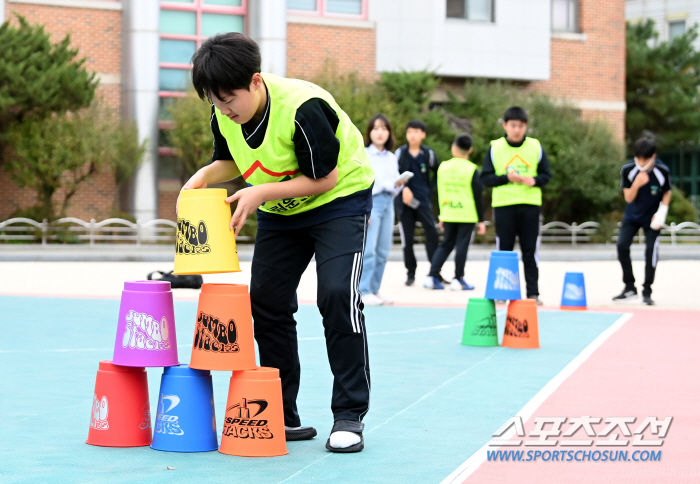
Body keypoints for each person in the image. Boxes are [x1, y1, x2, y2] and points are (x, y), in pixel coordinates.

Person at [181, 33, 374, 453]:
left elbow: (327, 178)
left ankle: (349, 415)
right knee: (266, 300)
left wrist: (259, 193)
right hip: (282, 210)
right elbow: (230, 159)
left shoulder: (304, 108)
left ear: (254, 81)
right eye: (215, 102)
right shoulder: (224, 114)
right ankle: (281, 413)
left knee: (338, 294)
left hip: (338, 200)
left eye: (229, 98)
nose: (224, 109)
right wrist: (203, 177)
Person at [481, 106, 552, 305]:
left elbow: (547, 174)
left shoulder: (535, 147)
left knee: (530, 251)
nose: (517, 130)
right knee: (504, 250)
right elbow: (486, 177)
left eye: (521, 126)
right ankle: (502, 292)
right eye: (513, 125)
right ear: (505, 125)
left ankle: (533, 294)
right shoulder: (495, 148)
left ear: (526, 127)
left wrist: (536, 180)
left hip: (530, 205)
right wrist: (507, 177)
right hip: (504, 206)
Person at [614, 137, 672, 306]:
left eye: (644, 159)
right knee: (621, 246)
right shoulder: (628, 170)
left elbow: (667, 192)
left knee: (651, 251)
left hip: (652, 218)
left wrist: (661, 213)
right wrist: (637, 184)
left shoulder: (662, 170)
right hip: (632, 216)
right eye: (638, 158)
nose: (641, 162)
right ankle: (629, 288)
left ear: (652, 157)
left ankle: (647, 291)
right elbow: (628, 197)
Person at [424, 133, 486, 290]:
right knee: (462, 246)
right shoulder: (471, 169)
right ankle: (458, 279)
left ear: (454, 148)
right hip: (467, 214)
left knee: (445, 245)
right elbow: (478, 196)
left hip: (448, 211)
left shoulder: (443, 167)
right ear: (470, 150)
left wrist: (442, 215)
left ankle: (432, 276)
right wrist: (481, 220)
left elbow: (440, 191)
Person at [360, 114, 406, 306]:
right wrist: (364, 208)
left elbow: (394, 185)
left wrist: (399, 183)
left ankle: (375, 289)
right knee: (369, 249)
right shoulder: (363, 153)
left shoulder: (391, 157)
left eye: (384, 128)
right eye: (376, 128)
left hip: (389, 202)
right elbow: (361, 182)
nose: (380, 132)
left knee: (383, 249)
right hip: (372, 201)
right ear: (370, 132)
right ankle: (363, 290)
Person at [395, 120, 440, 286]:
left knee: (432, 233)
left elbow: (438, 172)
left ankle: (435, 272)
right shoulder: (400, 153)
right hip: (403, 201)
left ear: (423, 134)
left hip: (422, 200)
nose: (412, 135)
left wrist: (430, 190)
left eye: (416, 132)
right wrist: (403, 189)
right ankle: (410, 273)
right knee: (407, 238)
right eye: (409, 132)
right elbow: (393, 174)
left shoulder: (428, 154)